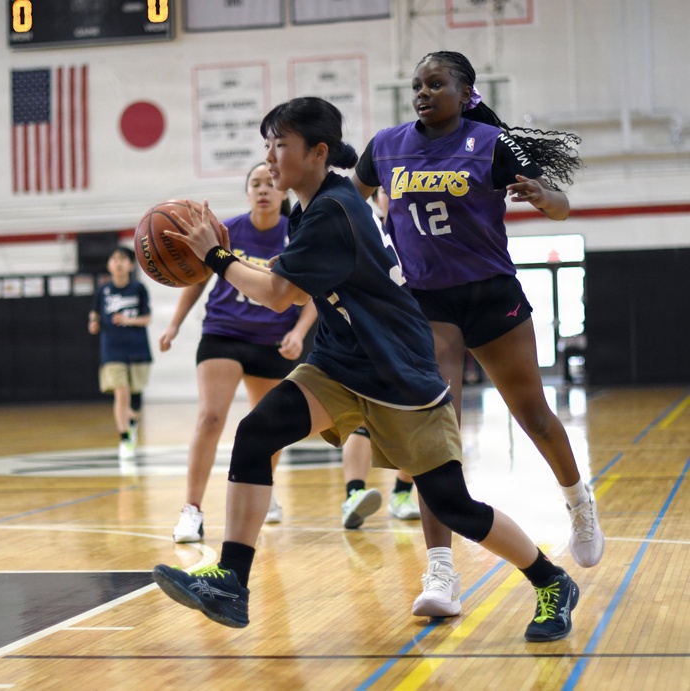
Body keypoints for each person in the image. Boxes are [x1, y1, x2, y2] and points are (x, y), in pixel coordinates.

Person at [151, 96, 580, 643]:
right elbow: (285, 284)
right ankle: (232, 578)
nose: (271, 158)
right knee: (257, 432)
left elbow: (280, 295)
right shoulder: (313, 206)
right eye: (267, 146)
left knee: (454, 505)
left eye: (280, 145)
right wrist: (224, 259)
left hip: (396, 370)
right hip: (339, 362)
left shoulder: (332, 211)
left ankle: (551, 580)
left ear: (317, 152)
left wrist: (216, 258)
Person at [352, 50, 603, 618]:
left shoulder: (489, 144)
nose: (422, 92)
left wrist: (546, 200)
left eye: (435, 84)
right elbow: (350, 195)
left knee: (533, 415)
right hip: (427, 301)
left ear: (465, 93)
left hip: (490, 294)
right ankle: (440, 571)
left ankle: (577, 501)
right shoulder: (387, 145)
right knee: (434, 435)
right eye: (417, 84)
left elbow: (561, 205)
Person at [159, 162, 317, 541]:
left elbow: (313, 289)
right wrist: (175, 323)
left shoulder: (296, 235)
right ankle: (191, 510)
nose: (263, 189)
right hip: (223, 333)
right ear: (247, 192)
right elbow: (196, 279)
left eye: (269, 183)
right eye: (255, 183)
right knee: (210, 418)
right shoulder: (226, 231)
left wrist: (299, 331)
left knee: (268, 427)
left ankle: (268, 489)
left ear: (282, 192)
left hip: (273, 340)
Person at [340, 188, 419, 529]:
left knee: (416, 422)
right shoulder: (366, 227)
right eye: (386, 190)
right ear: (377, 196)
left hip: (416, 334)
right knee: (362, 417)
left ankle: (402, 492)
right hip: (371, 334)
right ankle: (353, 496)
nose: (393, 195)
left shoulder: (419, 229)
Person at [88, 245, 152, 461]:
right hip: (112, 350)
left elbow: (147, 318)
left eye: (123, 259)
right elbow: (94, 313)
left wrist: (128, 320)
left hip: (137, 349)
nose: (118, 263)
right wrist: (94, 323)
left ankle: (132, 423)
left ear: (130, 265)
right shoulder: (103, 291)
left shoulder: (138, 288)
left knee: (136, 400)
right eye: (114, 259)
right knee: (121, 392)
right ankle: (124, 438)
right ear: (109, 265)